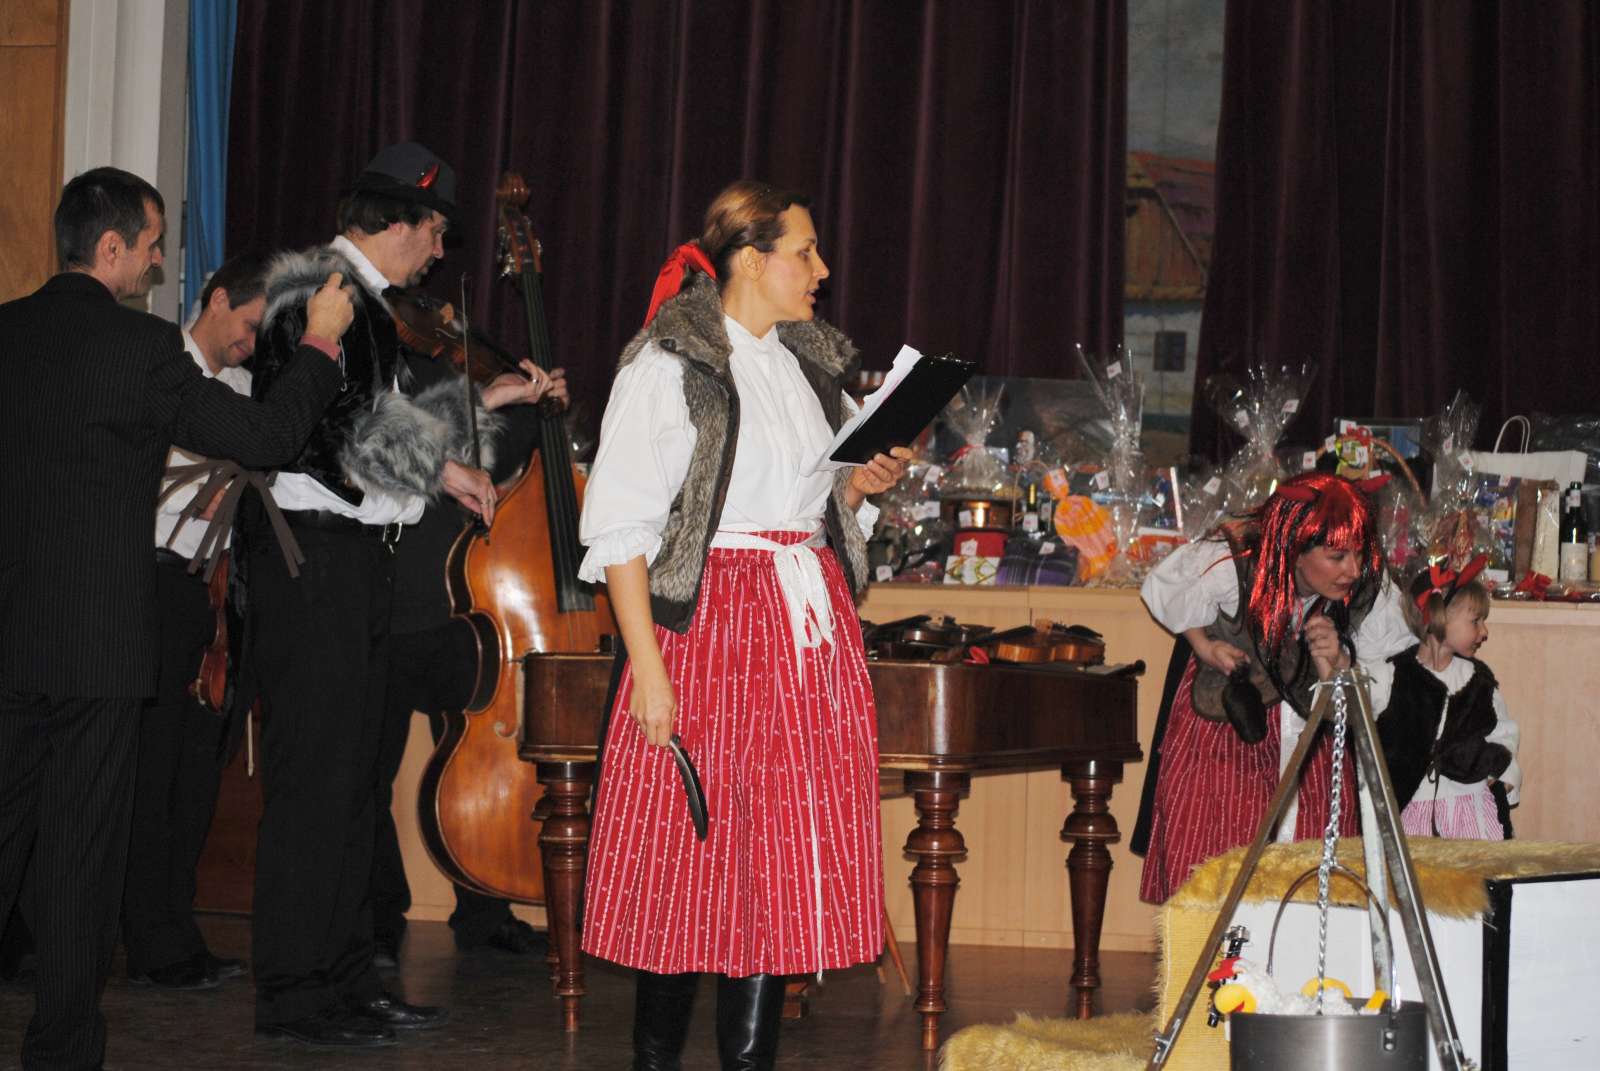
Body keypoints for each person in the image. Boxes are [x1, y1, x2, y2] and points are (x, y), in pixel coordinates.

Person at [0, 166, 349, 1071]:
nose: (158, 262)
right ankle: (61, 1053)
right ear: (111, 247)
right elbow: (266, 439)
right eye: (152, 246)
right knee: (80, 864)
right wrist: (318, 343)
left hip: (9, 635)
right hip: (99, 647)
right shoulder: (142, 347)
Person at [577, 180, 909, 1071]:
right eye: (804, 252)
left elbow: (809, 511)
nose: (821, 269)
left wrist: (857, 487)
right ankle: (655, 1062)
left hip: (802, 628)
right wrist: (649, 672)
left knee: (772, 871)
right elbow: (621, 530)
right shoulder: (670, 367)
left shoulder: (804, 371)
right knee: (687, 860)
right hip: (713, 627)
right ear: (752, 261)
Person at [243, 141, 498, 1049]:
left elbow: (369, 419)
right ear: (400, 221)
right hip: (312, 559)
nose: (440, 250)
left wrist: (444, 461)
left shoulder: (362, 299)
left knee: (353, 783)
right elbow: (328, 428)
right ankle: (294, 991)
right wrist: (444, 465)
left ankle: (348, 977)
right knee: (316, 782)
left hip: (355, 562)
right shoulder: (315, 292)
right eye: (436, 230)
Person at [370, 337, 567, 966]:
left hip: (457, 604)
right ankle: (375, 919)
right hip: (380, 598)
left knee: (477, 763)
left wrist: (534, 409)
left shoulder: (437, 364)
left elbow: (495, 461)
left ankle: (482, 913)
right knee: (369, 773)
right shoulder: (364, 361)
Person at [1135, 472, 1414, 904]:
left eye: (1358, 553)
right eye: (1337, 556)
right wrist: (1204, 646)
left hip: (1310, 741)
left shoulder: (1367, 591)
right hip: (1227, 733)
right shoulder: (1235, 560)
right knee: (1220, 860)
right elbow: (1167, 589)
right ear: (1296, 549)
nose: (1353, 570)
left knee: (1309, 864)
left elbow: (1383, 677)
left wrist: (1340, 662)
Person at [121, 252, 270, 993]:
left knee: (196, 773)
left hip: (215, 596)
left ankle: (176, 928)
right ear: (215, 300)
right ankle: (150, 940)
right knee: (152, 771)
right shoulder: (157, 369)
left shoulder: (241, 389)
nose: (251, 341)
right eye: (248, 324)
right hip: (153, 582)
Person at [1372, 558, 1519, 839]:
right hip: (1410, 811)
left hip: (1469, 812)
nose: (1484, 632)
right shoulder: (1391, 675)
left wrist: (1504, 776)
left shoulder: (1479, 680)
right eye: (1475, 621)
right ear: (1440, 617)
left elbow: (1504, 733)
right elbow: (1362, 729)